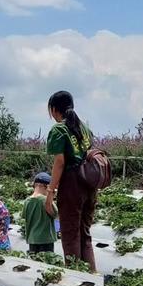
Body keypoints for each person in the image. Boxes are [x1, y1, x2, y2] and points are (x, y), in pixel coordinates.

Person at [45, 90, 98, 272]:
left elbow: (60, 162)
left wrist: (50, 192)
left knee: (70, 235)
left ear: (53, 109)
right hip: (89, 186)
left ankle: (76, 282)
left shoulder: (59, 129)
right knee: (85, 234)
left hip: (72, 186)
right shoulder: (84, 128)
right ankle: (91, 278)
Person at [22, 172, 58, 255]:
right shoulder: (46, 200)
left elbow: (24, 216)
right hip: (46, 240)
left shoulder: (27, 201)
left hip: (32, 239)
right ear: (47, 187)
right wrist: (51, 196)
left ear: (34, 185)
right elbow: (55, 214)